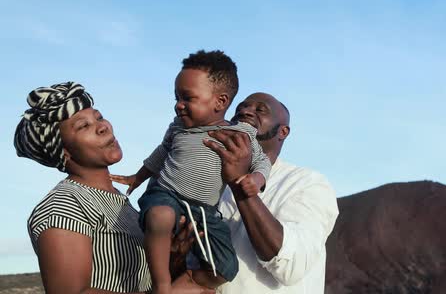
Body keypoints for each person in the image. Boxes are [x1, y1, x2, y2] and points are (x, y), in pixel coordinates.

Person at [14, 82, 214, 294]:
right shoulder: (63, 206)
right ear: (63, 151)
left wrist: (174, 261)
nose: (103, 126)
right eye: (83, 126)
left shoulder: (122, 204)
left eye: (99, 117)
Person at [111, 50, 271, 293]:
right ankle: (161, 285)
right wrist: (138, 176)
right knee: (160, 216)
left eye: (187, 98)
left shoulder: (241, 134)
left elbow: (262, 162)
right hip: (166, 194)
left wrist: (256, 180)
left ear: (221, 102)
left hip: (205, 212)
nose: (178, 105)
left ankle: (189, 283)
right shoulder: (177, 128)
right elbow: (161, 152)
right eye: (176, 97)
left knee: (226, 268)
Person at [202, 92, 339, 293]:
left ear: (283, 132)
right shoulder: (211, 186)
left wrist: (240, 187)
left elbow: (290, 266)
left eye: (260, 110)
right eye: (240, 109)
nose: (245, 112)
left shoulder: (307, 183)